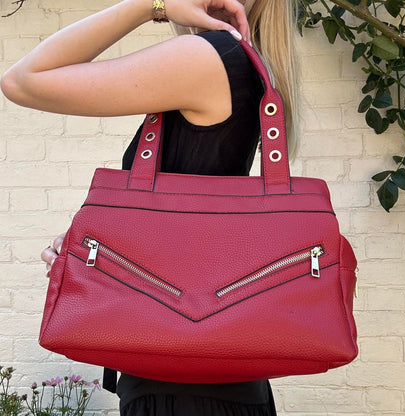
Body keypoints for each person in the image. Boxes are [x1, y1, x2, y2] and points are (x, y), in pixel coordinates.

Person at [1, 0, 298, 414]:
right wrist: (102, 247)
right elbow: (190, 228)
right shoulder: (243, 61)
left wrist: (152, 5)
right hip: (221, 385)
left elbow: (22, 80)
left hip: (178, 391)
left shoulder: (208, 55)